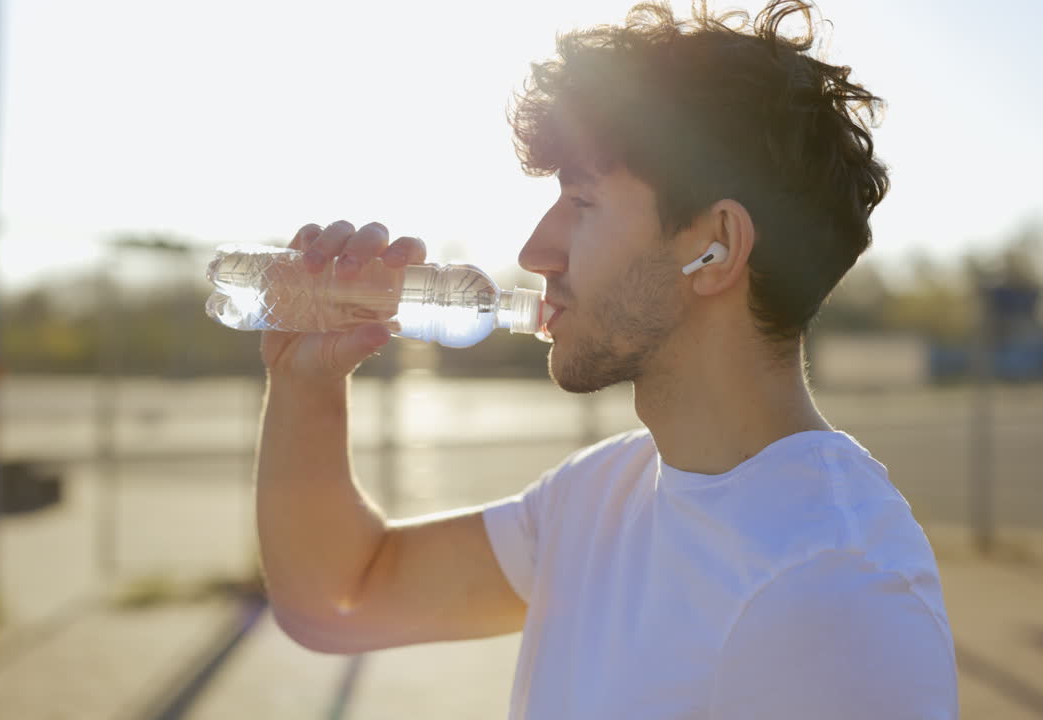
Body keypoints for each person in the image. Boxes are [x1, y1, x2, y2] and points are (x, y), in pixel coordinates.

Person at [254, 1, 957, 717]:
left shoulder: (832, 594)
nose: (534, 251)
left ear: (713, 248)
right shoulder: (604, 490)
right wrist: (304, 381)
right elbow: (341, 598)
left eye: (582, 201)